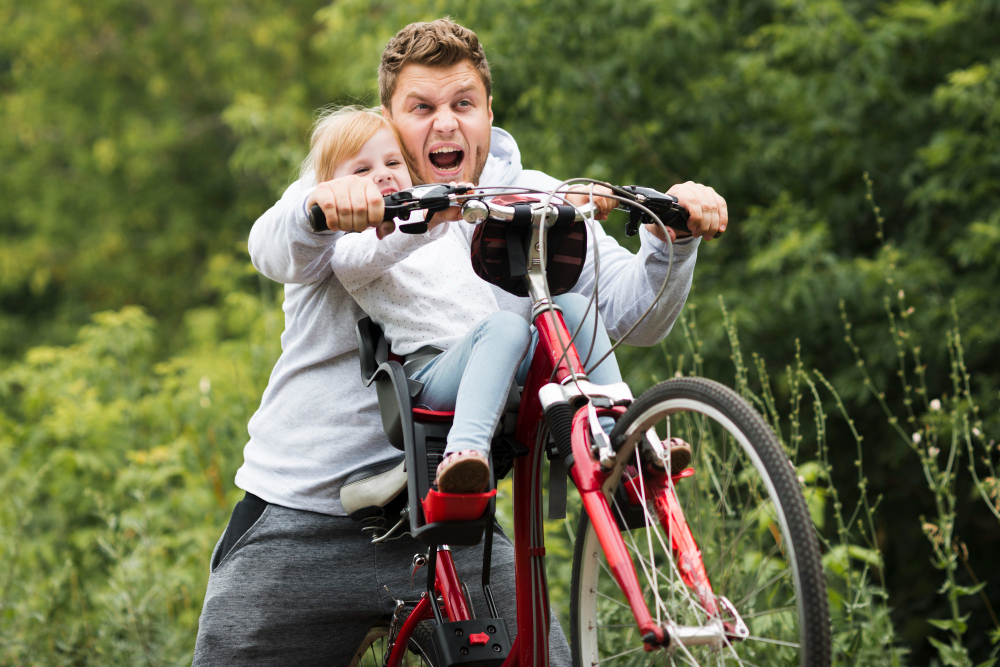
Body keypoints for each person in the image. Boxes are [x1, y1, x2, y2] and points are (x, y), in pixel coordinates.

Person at [193, 18, 727, 665]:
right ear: (390, 116)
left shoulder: (527, 202)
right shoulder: (357, 184)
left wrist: (676, 240)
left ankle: (625, 455)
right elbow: (272, 243)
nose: (445, 124)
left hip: (453, 521)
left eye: (462, 104)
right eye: (422, 107)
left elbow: (630, 315)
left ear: (488, 112)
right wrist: (325, 201)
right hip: (304, 516)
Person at [313, 106, 627, 494]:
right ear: (333, 190)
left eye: (392, 161)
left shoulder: (441, 218)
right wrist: (433, 217)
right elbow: (381, 249)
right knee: (506, 326)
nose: (381, 173)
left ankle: (619, 433)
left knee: (574, 309)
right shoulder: (348, 250)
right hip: (433, 372)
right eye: (361, 170)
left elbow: (513, 205)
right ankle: (464, 455)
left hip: (504, 354)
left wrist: (570, 200)